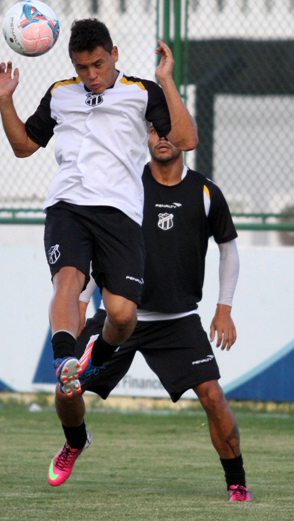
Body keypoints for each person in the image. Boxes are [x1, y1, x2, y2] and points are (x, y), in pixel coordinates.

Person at [0, 20, 197, 399]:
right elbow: (24, 146)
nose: (91, 75)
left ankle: (94, 356)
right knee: (67, 280)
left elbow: (186, 139)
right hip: (68, 205)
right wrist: (5, 100)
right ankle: (65, 360)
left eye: (98, 64)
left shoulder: (141, 92)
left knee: (121, 315)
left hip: (120, 214)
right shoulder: (60, 94)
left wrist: (166, 79)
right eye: (81, 67)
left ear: (114, 55)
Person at [47, 124, 250, 502]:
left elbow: (229, 249)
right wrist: (82, 298)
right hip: (118, 317)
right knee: (66, 388)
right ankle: (75, 442)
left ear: (186, 138)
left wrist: (224, 309)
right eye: (155, 130)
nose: (162, 138)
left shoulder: (206, 193)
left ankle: (236, 482)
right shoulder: (126, 183)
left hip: (177, 321)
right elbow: (98, 242)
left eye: (170, 132)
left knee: (213, 396)